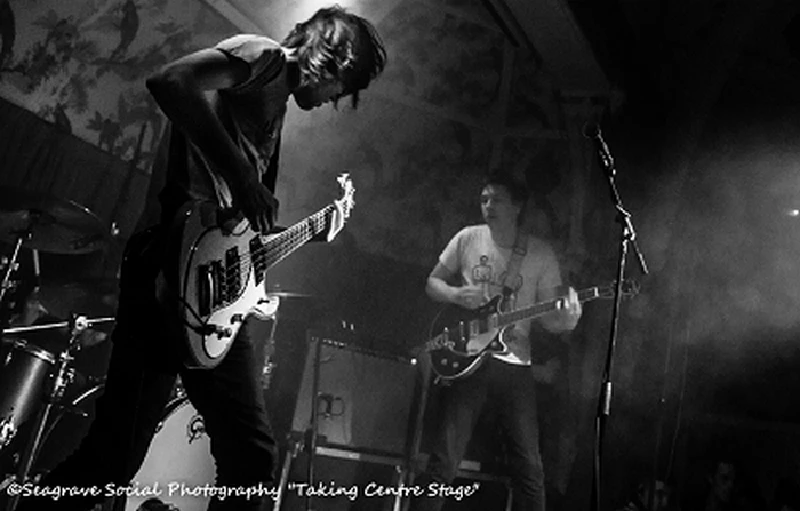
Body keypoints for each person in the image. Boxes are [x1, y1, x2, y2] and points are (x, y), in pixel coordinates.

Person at [14, 5, 385, 511]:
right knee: (208, 456)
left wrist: (309, 235)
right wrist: (243, 176)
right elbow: (170, 80)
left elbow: (229, 225)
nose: (334, 102)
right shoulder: (264, 56)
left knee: (142, 457)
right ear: (334, 62)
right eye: (344, 89)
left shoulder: (273, 104)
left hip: (199, 285)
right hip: (166, 266)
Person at [409, 173, 582, 511]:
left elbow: (550, 319)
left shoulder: (540, 253)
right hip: (469, 358)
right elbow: (432, 284)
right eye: (484, 199)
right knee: (445, 457)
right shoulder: (468, 238)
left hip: (516, 363)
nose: (488, 206)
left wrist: (569, 317)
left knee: (529, 467)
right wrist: (458, 294)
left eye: (497, 200)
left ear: (517, 206)